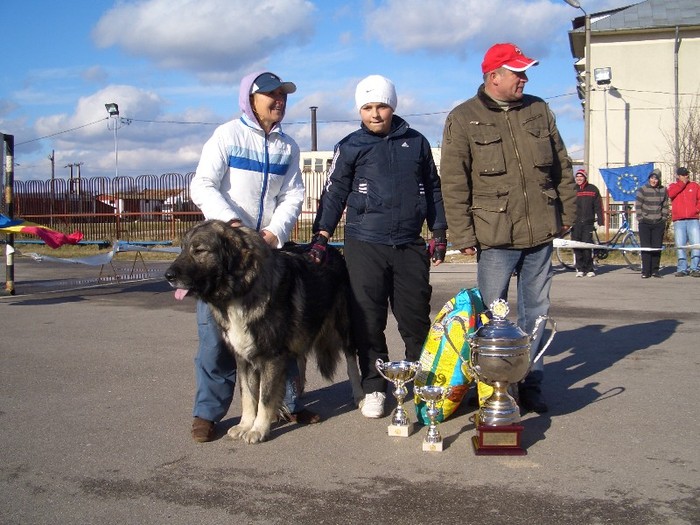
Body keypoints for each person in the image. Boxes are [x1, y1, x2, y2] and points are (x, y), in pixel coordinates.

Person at [439, 43, 577, 414]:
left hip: (540, 231)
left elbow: (561, 164)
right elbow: (453, 181)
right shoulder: (462, 117)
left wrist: (567, 210)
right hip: (494, 234)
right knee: (487, 316)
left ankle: (530, 381)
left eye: (525, 72)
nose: (525, 79)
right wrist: (463, 235)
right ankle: (487, 385)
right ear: (493, 76)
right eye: (518, 72)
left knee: (537, 313)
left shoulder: (538, 109)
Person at [184, 71, 319, 443]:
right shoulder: (227, 136)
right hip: (225, 258)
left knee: (280, 335)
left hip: (269, 256)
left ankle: (283, 406)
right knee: (217, 340)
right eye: (270, 95)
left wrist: (276, 230)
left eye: (283, 95)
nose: (279, 100)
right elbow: (203, 183)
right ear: (249, 99)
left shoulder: (287, 146)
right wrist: (231, 225)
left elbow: (293, 194)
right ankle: (208, 414)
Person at [309, 74, 448, 418]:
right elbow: (335, 192)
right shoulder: (351, 145)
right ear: (360, 110)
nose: (375, 113)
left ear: (393, 107)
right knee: (368, 321)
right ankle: (374, 387)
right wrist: (321, 236)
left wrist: (440, 232)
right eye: (368, 107)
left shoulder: (415, 142)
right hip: (365, 244)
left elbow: (433, 189)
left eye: (381, 106)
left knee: (415, 320)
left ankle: (424, 383)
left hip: (409, 245)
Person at [635, 168, 669, 279]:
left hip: (658, 223)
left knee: (656, 247)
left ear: (659, 180)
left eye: (656, 179)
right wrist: (640, 218)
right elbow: (638, 205)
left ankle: (655, 270)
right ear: (649, 178)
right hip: (645, 223)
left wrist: (663, 218)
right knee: (646, 247)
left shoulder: (663, 190)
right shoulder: (642, 189)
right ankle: (645, 271)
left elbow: (665, 205)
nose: (653, 180)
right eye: (652, 178)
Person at [667, 166, 700, 277]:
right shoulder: (673, 186)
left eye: (687, 174)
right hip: (679, 220)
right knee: (680, 245)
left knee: (696, 244)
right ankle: (682, 268)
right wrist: (682, 184)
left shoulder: (694, 186)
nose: (686, 176)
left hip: (693, 219)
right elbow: (671, 194)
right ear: (678, 176)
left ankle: (695, 268)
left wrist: (696, 209)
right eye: (683, 175)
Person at [572, 169, 604, 277]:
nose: (579, 179)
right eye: (577, 177)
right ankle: (580, 268)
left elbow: (598, 206)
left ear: (585, 177)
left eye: (581, 177)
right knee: (576, 245)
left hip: (588, 223)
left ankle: (589, 268)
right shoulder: (572, 189)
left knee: (586, 245)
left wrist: (600, 219)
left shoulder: (593, 189)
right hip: (575, 223)